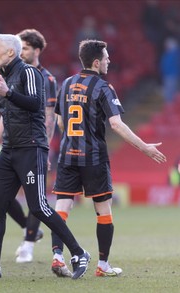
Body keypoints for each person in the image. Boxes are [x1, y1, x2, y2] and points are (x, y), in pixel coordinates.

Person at [0, 33, 90, 280]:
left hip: (31, 148)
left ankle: (79, 253)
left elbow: (36, 103)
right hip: (10, 150)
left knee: (39, 206)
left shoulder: (29, 73)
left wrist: (7, 92)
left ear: (10, 52)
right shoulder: (2, 78)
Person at [51, 39, 166, 278]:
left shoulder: (67, 83)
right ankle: (103, 266)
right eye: (106, 57)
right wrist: (144, 147)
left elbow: (60, 121)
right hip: (93, 157)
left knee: (62, 207)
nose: (109, 60)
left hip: (67, 156)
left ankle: (58, 257)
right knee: (103, 210)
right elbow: (115, 123)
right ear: (96, 62)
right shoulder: (103, 87)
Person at [0, 28, 57, 263]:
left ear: (36, 51)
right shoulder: (9, 74)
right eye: (21, 47)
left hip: (34, 143)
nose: (22, 51)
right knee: (2, 199)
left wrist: (43, 148)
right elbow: (6, 112)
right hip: (12, 143)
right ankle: (30, 233)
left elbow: (46, 115)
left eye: (26, 47)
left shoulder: (44, 78)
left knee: (36, 200)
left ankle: (28, 244)